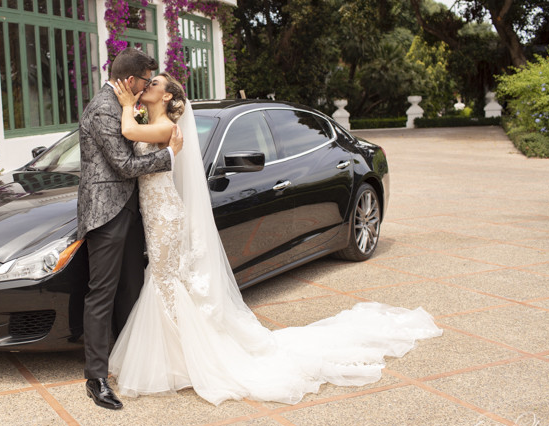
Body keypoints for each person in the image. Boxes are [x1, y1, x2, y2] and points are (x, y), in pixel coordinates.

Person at [106, 73, 443, 406]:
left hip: (164, 214)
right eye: (146, 83)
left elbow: (129, 132)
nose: (147, 86)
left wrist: (124, 102)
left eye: (154, 84)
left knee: (165, 279)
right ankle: (175, 354)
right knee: (166, 279)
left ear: (168, 97)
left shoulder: (166, 127)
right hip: (152, 211)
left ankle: (179, 359)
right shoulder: (153, 121)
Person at [77, 48, 184, 410]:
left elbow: (136, 136)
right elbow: (123, 164)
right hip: (106, 213)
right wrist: (169, 156)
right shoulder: (104, 108)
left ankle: (130, 363)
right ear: (130, 80)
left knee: (132, 290)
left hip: (133, 211)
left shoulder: (124, 105)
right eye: (144, 81)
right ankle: (96, 378)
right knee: (102, 293)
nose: (144, 88)